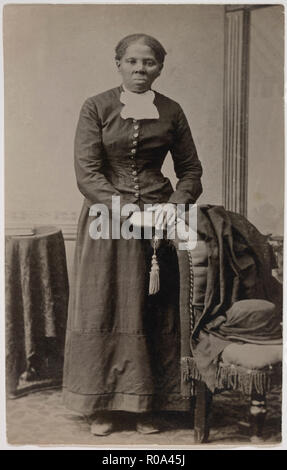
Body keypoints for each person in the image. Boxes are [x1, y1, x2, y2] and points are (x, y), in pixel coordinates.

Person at [63, 33, 203, 436]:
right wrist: (124, 209)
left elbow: (191, 170)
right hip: (108, 221)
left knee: (152, 307)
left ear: (160, 67)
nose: (141, 70)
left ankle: (148, 404)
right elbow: (88, 172)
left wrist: (177, 203)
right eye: (133, 62)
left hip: (159, 221)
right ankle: (102, 406)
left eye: (150, 63)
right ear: (119, 64)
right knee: (105, 305)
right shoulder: (97, 107)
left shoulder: (172, 110)